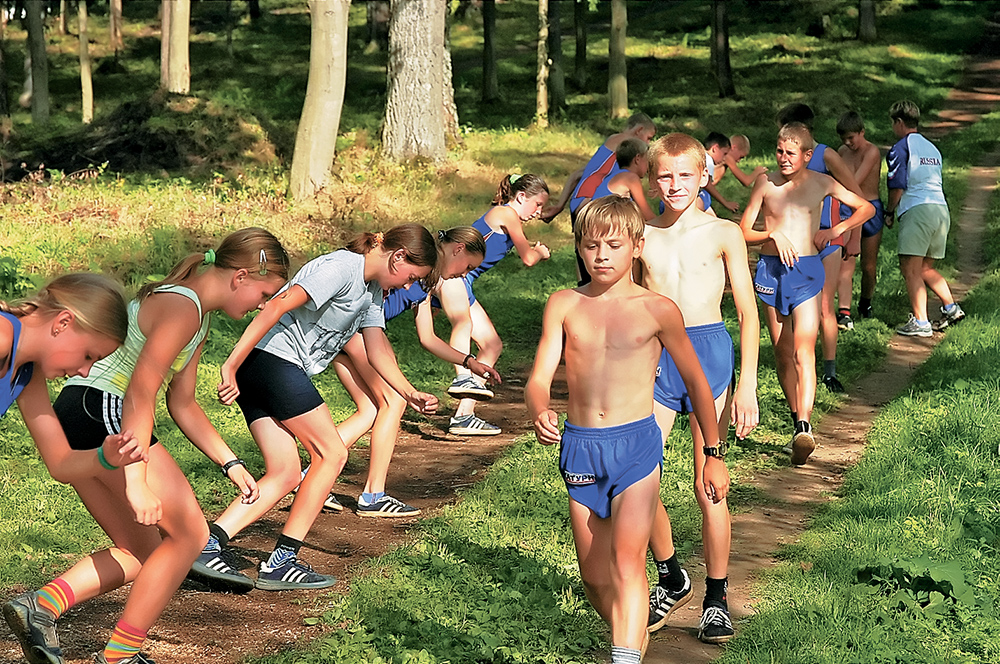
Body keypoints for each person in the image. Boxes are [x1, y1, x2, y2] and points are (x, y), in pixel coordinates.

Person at [7, 230, 289, 664]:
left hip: (93, 414)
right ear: (242, 276)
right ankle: (120, 656)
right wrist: (136, 480)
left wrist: (229, 460)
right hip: (102, 407)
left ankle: (43, 607)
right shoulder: (182, 307)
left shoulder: (196, 316)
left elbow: (182, 401)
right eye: (266, 293)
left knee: (146, 550)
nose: (264, 305)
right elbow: (140, 387)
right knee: (191, 533)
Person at [526, 195, 729, 664]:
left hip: (636, 446)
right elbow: (539, 378)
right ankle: (633, 636)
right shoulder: (563, 304)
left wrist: (714, 454)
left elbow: (698, 383)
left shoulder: (658, 309)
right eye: (591, 245)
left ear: (636, 247)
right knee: (595, 578)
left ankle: (624, 655)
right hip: (580, 447)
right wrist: (539, 407)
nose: (601, 256)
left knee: (627, 562)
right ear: (578, 247)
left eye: (613, 245)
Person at [202, 224, 440, 592]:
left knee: (285, 473)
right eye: (412, 276)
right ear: (398, 257)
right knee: (331, 454)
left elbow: (376, 347)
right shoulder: (341, 268)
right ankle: (282, 560)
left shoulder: (373, 291)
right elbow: (279, 303)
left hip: (269, 368)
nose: (408, 286)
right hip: (270, 362)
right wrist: (232, 362)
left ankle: (207, 544)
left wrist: (408, 392)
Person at [278, 227, 503, 522]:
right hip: (353, 333)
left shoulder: (423, 282)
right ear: (457, 250)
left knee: (370, 410)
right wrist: (405, 386)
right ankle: (373, 494)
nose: (463, 275)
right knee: (393, 402)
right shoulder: (411, 266)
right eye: (467, 268)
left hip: (353, 336)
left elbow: (428, 338)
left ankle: (311, 471)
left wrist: (468, 361)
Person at [634, 133, 760, 644]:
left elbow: (748, 313)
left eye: (685, 175)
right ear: (652, 178)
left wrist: (748, 383)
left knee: (708, 483)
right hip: (658, 356)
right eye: (665, 176)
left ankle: (716, 597)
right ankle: (670, 574)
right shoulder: (642, 234)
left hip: (710, 355)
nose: (675, 185)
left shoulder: (725, 232)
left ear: (705, 175)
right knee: (638, 475)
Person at [1, 274, 153, 664]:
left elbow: (61, 463)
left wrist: (106, 458)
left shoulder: (24, 372)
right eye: (89, 356)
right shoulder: (2, 335)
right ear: (63, 323)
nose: (85, 371)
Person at [740, 123, 874, 466]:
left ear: (807, 156)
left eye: (791, 153)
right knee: (783, 353)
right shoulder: (765, 183)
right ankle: (795, 420)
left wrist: (836, 229)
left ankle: (804, 426)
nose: (783, 159)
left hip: (807, 271)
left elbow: (866, 208)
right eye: (779, 152)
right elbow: (742, 230)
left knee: (804, 348)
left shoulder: (822, 183)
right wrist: (771, 234)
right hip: (771, 272)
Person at [439, 174, 549, 436]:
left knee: (492, 345)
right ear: (521, 197)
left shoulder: (509, 215)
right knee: (462, 323)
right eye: (537, 205)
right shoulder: (505, 214)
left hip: (464, 281)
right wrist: (541, 252)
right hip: (454, 275)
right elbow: (528, 259)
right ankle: (462, 375)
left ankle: (464, 416)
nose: (538, 212)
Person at [776, 103, 867, 394]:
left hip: (826, 242)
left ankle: (829, 370)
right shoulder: (786, 161)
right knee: (794, 310)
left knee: (825, 306)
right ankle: (798, 366)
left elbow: (857, 194)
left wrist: (845, 233)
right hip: (793, 247)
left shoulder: (825, 155)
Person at [540, 113, 656, 285]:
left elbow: (577, 175)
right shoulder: (622, 141)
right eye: (648, 138)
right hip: (588, 203)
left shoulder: (611, 162)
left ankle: (588, 288)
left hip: (582, 202)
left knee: (587, 251)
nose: (648, 143)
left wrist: (559, 206)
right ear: (638, 131)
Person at [887, 100, 965, 336]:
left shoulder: (900, 148)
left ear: (899, 122)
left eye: (893, 123)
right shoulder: (932, 148)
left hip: (918, 210)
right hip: (940, 209)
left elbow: (897, 185)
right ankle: (951, 307)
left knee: (910, 269)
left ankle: (920, 322)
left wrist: (889, 212)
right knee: (924, 268)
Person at [835, 111, 885, 325]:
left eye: (851, 138)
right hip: (847, 209)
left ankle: (865, 301)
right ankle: (844, 310)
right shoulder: (841, 151)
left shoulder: (871, 151)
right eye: (844, 139)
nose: (848, 143)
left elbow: (855, 181)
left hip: (870, 207)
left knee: (869, 265)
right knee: (847, 261)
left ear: (861, 132)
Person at [590, 138, 656, 220]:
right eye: (647, 160)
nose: (648, 165)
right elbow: (647, 215)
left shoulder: (615, 175)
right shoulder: (630, 178)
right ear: (637, 159)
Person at [701, 132, 739, 214]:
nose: (724, 158)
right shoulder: (708, 161)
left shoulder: (699, 155)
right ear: (715, 148)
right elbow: (708, 184)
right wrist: (726, 203)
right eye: (724, 153)